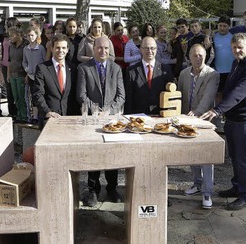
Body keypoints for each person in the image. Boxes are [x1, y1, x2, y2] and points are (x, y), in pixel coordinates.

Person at [200, 33, 246, 210]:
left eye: (240, 47)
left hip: (245, 120)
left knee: (244, 158)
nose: (237, 50)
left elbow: (239, 93)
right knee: (234, 156)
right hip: (233, 118)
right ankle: (237, 186)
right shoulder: (236, 63)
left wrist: (217, 110)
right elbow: (229, 88)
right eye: (234, 47)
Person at [77, 36, 126, 207]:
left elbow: (121, 95)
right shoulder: (84, 68)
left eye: (106, 48)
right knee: (94, 155)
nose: (103, 51)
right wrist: (96, 111)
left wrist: (109, 111)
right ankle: (93, 190)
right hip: (93, 119)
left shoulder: (116, 69)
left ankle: (112, 188)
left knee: (112, 155)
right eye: (99, 48)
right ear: (93, 48)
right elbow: (81, 95)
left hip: (112, 119)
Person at [178, 44, 219, 209]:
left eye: (201, 55)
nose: (198, 58)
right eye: (195, 55)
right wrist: (179, 118)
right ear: (189, 57)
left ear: (206, 55)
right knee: (193, 155)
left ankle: (207, 192)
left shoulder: (212, 75)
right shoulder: (183, 74)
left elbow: (208, 98)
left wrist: (195, 114)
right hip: (187, 121)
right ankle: (196, 183)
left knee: (207, 158)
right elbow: (179, 97)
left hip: (204, 122)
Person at [32, 34, 79, 128]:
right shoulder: (42, 68)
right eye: (57, 47)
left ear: (67, 49)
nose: (60, 51)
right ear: (52, 48)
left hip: (69, 118)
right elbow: (38, 94)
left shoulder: (73, 69)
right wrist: (47, 112)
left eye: (63, 48)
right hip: (49, 119)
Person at [124, 36, 173, 114]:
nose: (150, 51)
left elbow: (170, 95)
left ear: (156, 49)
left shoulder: (166, 70)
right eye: (146, 48)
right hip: (138, 117)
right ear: (141, 49)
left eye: (152, 48)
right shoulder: (131, 71)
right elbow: (128, 98)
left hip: (160, 116)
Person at [22, 26, 46, 124]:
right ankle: (35, 116)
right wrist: (27, 70)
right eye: (28, 35)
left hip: (39, 76)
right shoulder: (25, 49)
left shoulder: (41, 48)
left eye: (32, 35)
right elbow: (24, 61)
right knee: (32, 96)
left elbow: (44, 60)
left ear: (36, 36)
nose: (30, 37)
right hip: (31, 76)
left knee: (39, 96)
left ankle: (42, 115)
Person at [0, 17, 22, 118]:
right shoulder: (4, 36)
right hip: (5, 65)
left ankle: (19, 112)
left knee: (16, 91)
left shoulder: (16, 37)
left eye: (6, 24)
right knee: (8, 90)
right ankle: (11, 112)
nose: (4, 26)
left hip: (13, 66)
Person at [7, 27, 29, 123]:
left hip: (21, 74)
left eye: (12, 35)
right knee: (16, 97)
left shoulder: (26, 45)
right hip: (12, 74)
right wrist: (8, 74)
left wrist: (27, 75)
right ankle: (19, 115)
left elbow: (28, 61)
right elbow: (9, 61)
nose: (10, 38)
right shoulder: (11, 46)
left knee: (22, 96)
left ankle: (24, 116)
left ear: (18, 35)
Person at [212, 16, 233, 99]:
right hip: (217, 71)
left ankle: (229, 111)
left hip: (230, 71)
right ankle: (218, 111)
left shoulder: (233, 37)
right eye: (220, 26)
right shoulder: (213, 37)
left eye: (224, 26)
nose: (222, 28)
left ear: (229, 27)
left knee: (230, 94)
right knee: (218, 94)